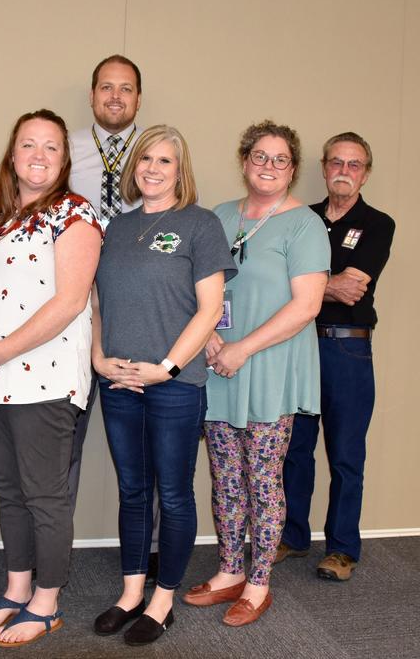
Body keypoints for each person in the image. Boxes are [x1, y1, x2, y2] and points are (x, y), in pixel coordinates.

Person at [0, 109, 102, 648]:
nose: (38, 155)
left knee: (44, 494)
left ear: (63, 160)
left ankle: (47, 600)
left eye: (51, 147)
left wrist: (1, 350)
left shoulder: (75, 215)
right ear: (12, 155)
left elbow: (69, 301)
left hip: (44, 378)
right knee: (8, 490)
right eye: (28, 145)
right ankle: (17, 588)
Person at [91, 125, 235, 646]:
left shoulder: (200, 225)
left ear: (181, 170)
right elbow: (99, 303)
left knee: (172, 494)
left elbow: (210, 309)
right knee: (133, 491)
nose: (152, 168)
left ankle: (162, 599)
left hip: (174, 384)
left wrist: (169, 368)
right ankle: (131, 593)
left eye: (164, 161)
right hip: (119, 381)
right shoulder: (115, 227)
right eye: (145, 158)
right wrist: (98, 358)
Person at [185, 120, 330, 626]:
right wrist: (210, 340)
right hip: (217, 360)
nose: (268, 166)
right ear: (244, 161)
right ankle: (228, 571)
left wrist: (242, 348)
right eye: (260, 157)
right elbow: (191, 285)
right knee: (225, 476)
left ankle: (259, 582)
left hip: (269, 364)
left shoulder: (305, 225)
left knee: (263, 478)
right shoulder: (218, 216)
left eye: (280, 159)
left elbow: (307, 305)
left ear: (292, 168)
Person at [278, 132, 395, 581]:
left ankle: (343, 549)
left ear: (365, 172)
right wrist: (319, 286)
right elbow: (288, 281)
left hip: (347, 347)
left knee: (346, 453)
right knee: (295, 448)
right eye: (337, 163)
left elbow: (353, 288)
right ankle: (292, 536)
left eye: (354, 164)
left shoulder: (378, 223)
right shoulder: (300, 218)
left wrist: (302, 285)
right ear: (324, 167)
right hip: (299, 343)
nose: (344, 171)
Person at [68, 55, 163, 579]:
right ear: (91, 94)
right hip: (74, 311)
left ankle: (145, 550)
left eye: (126, 89)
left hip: (133, 314)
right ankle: (51, 545)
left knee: (139, 448)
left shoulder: (157, 152)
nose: (116, 97)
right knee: (65, 442)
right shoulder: (67, 147)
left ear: (138, 98)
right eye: (107, 87)